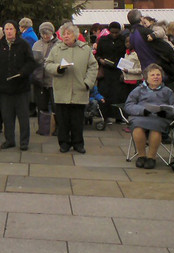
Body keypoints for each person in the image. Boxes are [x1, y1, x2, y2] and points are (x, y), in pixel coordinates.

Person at [45, 22, 98, 154]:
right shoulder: (56, 49)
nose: (66, 36)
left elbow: (93, 66)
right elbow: (47, 65)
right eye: (64, 34)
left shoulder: (85, 49)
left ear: (75, 35)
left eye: (69, 33)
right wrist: (58, 68)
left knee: (77, 120)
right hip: (62, 90)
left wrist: (88, 83)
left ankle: (78, 143)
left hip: (79, 90)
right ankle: (64, 143)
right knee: (63, 120)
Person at [125, 63, 174, 169]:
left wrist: (167, 112)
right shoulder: (138, 90)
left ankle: (151, 157)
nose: (156, 77)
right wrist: (142, 110)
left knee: (155, 128)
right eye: (152, 75)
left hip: (160, 118)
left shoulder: (167, 91)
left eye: (158, 75)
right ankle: (141, 156)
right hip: (141, 116)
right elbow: (128, 105)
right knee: (137, 128)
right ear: (146, 78)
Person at [0, 20, 36, 150]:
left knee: (23, 116)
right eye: (6, 29)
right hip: (4, 88)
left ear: (16, 30)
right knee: (7, 116)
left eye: (11, 29)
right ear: (3, 31)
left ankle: (24, 142)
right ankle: (9, 140)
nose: (9, 31)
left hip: (21, 87)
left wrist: (23, 73)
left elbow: (31, 63)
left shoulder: (23, 44)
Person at [95, 22, 128, 121]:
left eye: (116, 32)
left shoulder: (123, 40)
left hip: (118, 70)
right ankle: (105, 116)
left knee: (118, 94)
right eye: (112, 32)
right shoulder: (103, 40)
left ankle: (119, 116)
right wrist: (100, 60)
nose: (114, 35)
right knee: (105, 93)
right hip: (106, 71)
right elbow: (98, 54)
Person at [31, 22, 58, 123]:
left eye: (47, 33)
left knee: (56, 106)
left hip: (53, 80)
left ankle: (57, 127)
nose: (45, 36)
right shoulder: (36, 44)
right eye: (43, 33)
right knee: (41, 106)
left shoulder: (59, 44)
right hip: (40, 80)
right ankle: (43, 127)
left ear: (52, 32)